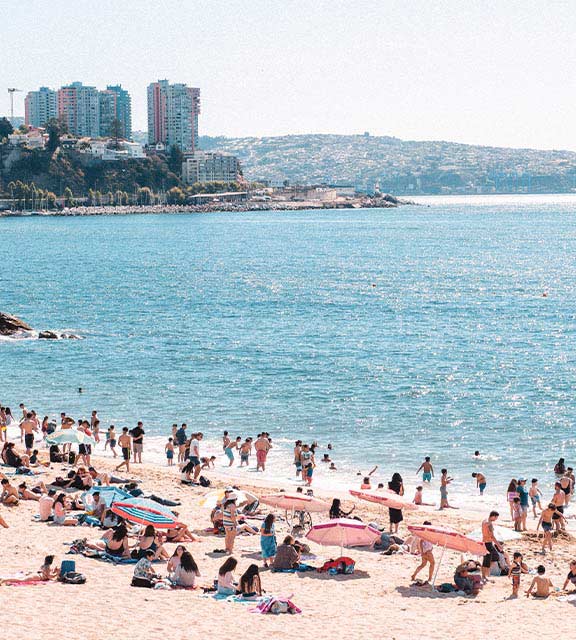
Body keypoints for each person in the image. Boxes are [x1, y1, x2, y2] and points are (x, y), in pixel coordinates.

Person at [481, 511, 502, 580]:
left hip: (484, 542)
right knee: (488, 559)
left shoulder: (484, 521)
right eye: (496, 517)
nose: (496, 519)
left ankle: (485, 575)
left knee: (489, 558)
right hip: (488, 543)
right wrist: (498, 545)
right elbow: (492, 536)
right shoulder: (489, 524)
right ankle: (485, 575)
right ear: (493, 516)